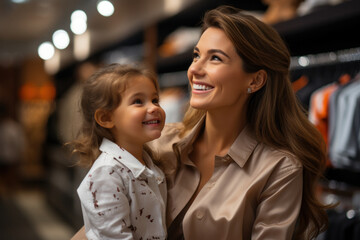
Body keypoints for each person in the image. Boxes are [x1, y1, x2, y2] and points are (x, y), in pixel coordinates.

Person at [72, 5, 329, 240]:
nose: (194, 69)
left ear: (255, 81)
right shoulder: (158, 144)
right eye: (197, 55)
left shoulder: (279, 169)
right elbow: (105, 220)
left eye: (215, 58)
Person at [69, 63, 167, 240]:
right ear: (106, 118)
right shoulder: (106, 173)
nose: (154, 108)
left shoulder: (148, 163)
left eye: (155, 100)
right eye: (138, 101)